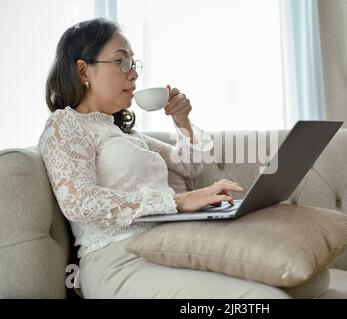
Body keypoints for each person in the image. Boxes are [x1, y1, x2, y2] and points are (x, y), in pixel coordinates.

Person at [38, 18, 292, 299]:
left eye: (134, 63)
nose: (133, 74)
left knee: (304, 281)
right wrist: (176, 202)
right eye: (121, 62)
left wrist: (182, 120)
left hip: (168, 246)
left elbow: (190, 165)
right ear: (83, 69)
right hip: (118, 261)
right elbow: (79, 203)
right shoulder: (66, 124)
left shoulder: (126, 134)